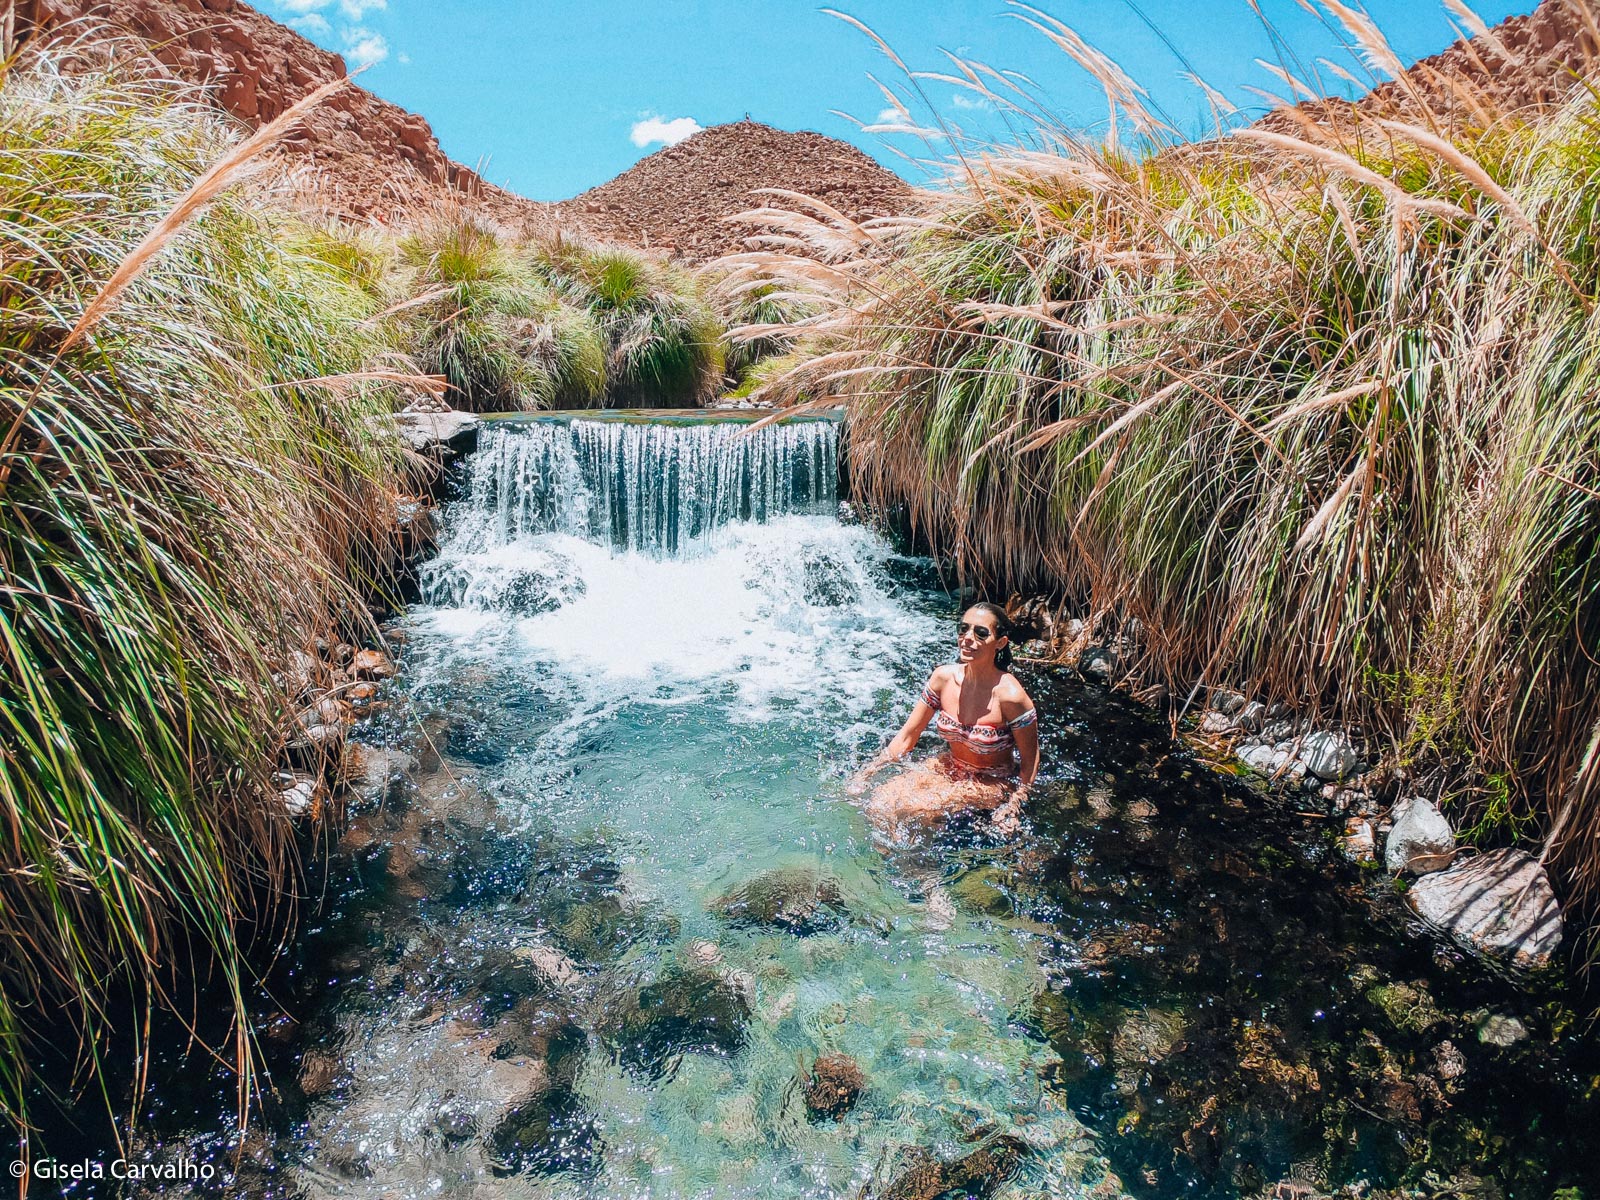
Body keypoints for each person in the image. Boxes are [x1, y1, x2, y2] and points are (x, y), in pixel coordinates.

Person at [851, 602, 1039, 837]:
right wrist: (867, 772)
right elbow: (909, 735)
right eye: (963, 629)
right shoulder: (943, 678)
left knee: (914, 809)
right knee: (879, 802)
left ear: (1000, 643)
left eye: (981, 633)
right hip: (948, 766)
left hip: (991, 780)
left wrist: (1015, 805)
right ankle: (890, 864)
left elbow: (1030, 761)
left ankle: (922, 868)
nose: (967, 638)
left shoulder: (1011, 696)